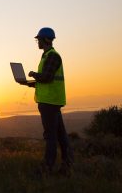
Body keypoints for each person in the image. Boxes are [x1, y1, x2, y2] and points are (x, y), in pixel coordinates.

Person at [22, 27, 73, 176]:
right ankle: (67, 165)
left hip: (50, 103)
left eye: (38, 39)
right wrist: (29, 83)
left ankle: (47, 168)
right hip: (50, 102)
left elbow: (46, 77)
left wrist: (33, 74)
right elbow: (44, 80)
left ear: (45, 40)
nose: (37, 42)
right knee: (60, 135)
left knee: (50, 136)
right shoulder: (46, 56)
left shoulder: (52, 56)